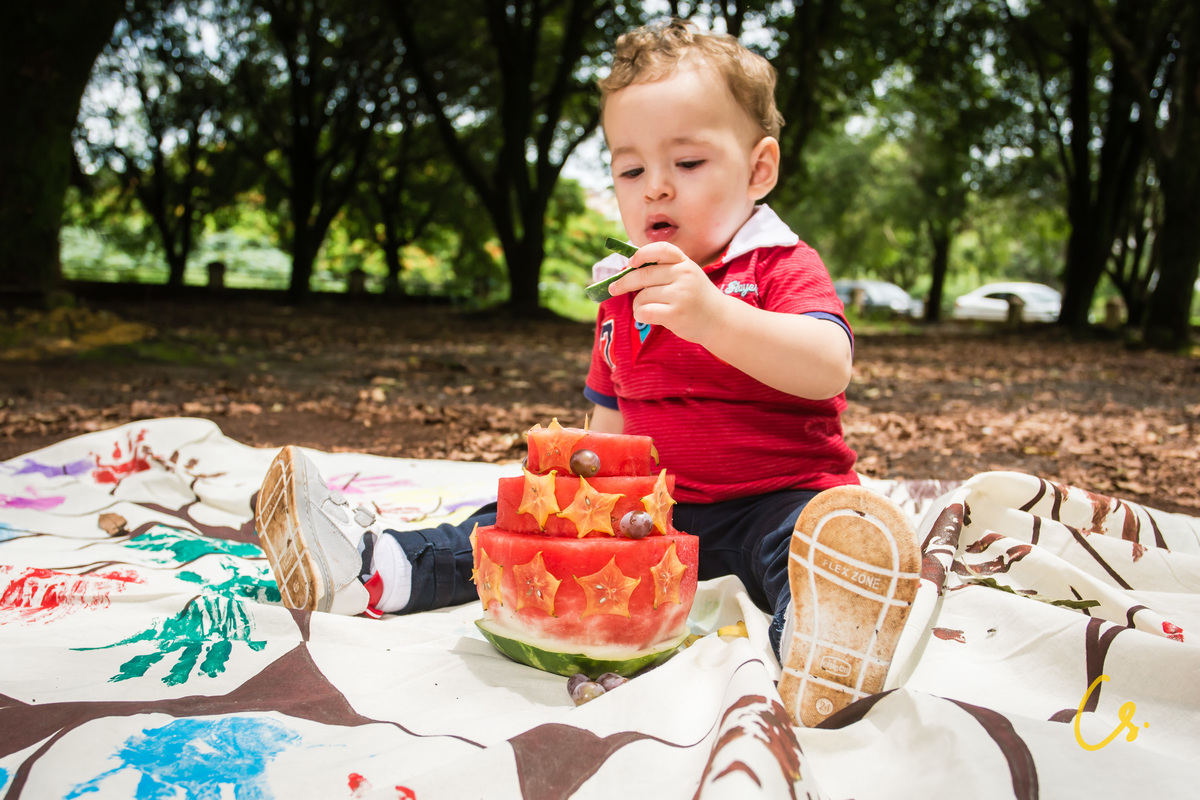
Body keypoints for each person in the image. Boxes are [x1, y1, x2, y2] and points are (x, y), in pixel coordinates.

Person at [254, 19, 920, 728]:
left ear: (758, 169)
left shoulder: (779, 265)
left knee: (807, 552)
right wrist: (568, 496)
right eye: (631, 170)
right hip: (655, 511)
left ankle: (826, 653)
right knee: (514, 525)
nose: (656, 189)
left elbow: (826, 367)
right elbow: (611, 433)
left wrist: (715, 317)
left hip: (778, 500)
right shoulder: (622, 292)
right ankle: (372, 569)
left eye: (688, 164)